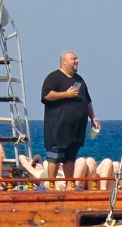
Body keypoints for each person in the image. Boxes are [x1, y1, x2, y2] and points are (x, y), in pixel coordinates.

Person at [40, 51, 98, 183]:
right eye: (73, 59)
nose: (77, 61)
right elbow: (46, 95)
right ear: (64, 62)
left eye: (77, 59)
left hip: (75, 129)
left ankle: (69, 186)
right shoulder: (53, 77)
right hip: (57, 127)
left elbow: (87, 101)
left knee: (70, 157)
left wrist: (93, 118)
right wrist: (66, 94)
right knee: (54, 156)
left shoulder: (79, 79)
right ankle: (52, 185)